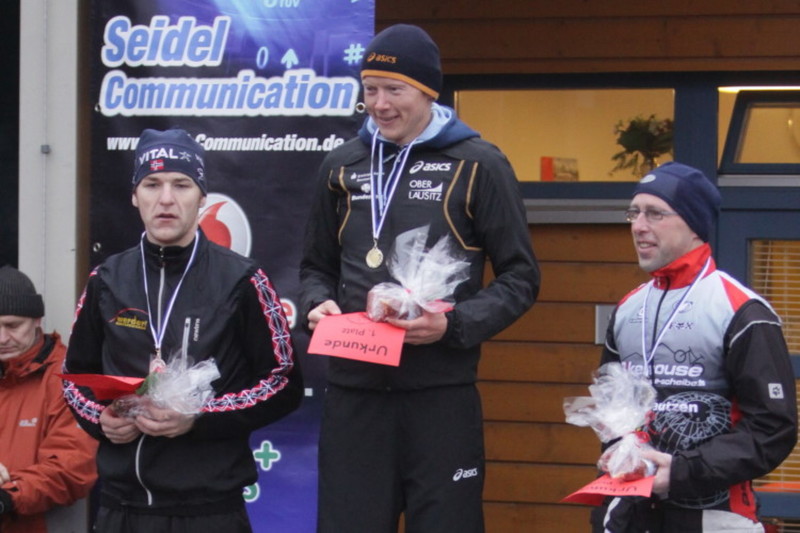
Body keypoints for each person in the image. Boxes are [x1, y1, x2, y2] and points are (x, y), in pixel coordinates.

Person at [300, 24, 540, 533]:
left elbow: (521, 277)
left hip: (440, 397)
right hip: (355, 397)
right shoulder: (341, 166)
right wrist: (316, 302)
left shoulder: (478, 165)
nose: (380, 104)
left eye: (395, 90)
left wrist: (450, 327)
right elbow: (314, 267)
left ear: (429, 92)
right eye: (370, 89)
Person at [62, 128, 303, 533]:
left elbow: (282, 384)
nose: (167, 199)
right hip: (122, 508)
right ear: (135, 196)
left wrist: (198, 417)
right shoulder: (106, 279)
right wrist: (99, 419)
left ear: (202, 197)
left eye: (182, 184)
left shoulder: (242, 279)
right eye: (152, 185)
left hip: (209, 511)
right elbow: (73, 379)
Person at [593, 162, 798, 532]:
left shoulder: (741, 310)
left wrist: (685, 472)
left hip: (715, 514)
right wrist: (619, 447)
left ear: (693, 225)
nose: (639, 226)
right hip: (633, 512)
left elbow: (773, 428)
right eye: (634, 213)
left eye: (655, 213)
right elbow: (610, 403)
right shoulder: (628, 308)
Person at [0, 265, 97, 533]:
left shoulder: (67, 378)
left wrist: (8, 496)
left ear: (37, 320)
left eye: (12, 325)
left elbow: (72, 468)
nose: (2, 338)